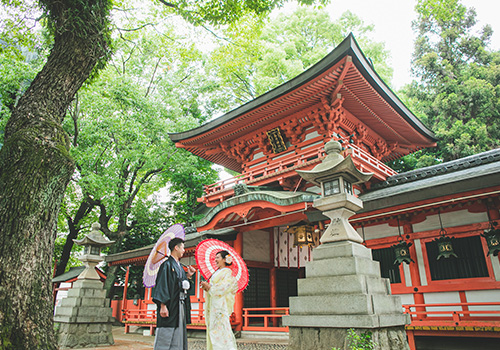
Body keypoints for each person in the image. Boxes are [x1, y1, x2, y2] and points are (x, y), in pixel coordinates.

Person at [152, 237, 196, 350]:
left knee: (179, 331)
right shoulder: (166, 265)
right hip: (169, 305)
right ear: (176, 248)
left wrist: (188, 276)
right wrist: (162, 305)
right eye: (182, 248)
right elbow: (162, 285)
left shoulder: (180, 267)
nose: (184, 250)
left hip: (179, 304)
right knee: (166, 331)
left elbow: (179, 284)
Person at [200, 250, 238, 350]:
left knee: (221, 330)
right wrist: (206, 287)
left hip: (220, 306)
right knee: (213, 329)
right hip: (213, 305)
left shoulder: (227, 272)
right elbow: (212, 287)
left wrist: (209, 288)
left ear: (225, 259)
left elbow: (225, 287)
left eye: (218, 257)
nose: (215, 260)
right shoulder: (216, 272)